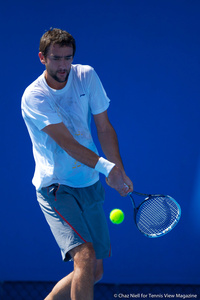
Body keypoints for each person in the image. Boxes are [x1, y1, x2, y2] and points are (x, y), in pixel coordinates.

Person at [21, 28, 133, 300]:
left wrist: (117, 169)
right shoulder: (34, 97)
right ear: (42, 58)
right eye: (56, 58)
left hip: (90, 182)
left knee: (94, 271)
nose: (63, 65)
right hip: (56, 187)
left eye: (68, 58)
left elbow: (104, 129)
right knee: (84, 256)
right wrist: (107, 168)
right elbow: (68, 144)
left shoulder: (86, 76)